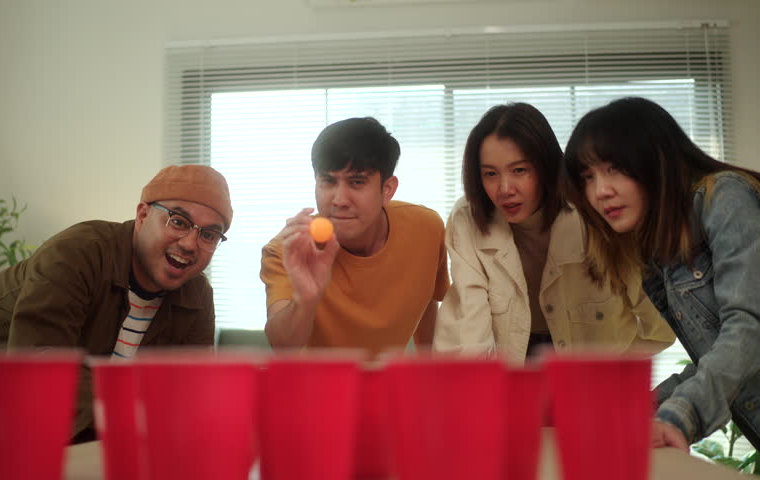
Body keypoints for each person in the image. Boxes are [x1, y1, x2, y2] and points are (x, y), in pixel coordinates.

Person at [0, 165, 232, 470]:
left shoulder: (196, 295)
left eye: (209, 235)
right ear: (142, 215)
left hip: (55, 445)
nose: (190, 244)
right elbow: (40, 368)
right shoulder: (81, 251)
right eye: (178, 222)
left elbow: (192, 396)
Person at [562, 96, 760, 451]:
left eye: (614, 169)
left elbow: (749, 328)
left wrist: (682, 415)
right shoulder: (659, 253)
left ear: (656, 161)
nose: (600, 191)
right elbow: (714, 357)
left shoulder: (724, 196)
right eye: (588, 177)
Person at [433, 102, 674, 365]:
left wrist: (610, 371)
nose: (504, 188)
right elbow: (471, 327)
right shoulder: (469, 217)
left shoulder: (595, 212)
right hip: (513, 361)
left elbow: (662, 326)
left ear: (546, 166)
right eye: (490, 174)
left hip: (588, 369)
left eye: (519, 170)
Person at [260, 117, 449, 355]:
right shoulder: (289, 250)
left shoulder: (426, 228)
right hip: (313, 388)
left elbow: (428, 300)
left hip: (387, 387)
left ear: (387, 189)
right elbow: (283, 346)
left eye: (357, 182)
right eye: (328, 182)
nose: (339, 200)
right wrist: (305, 300)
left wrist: (429, 374)